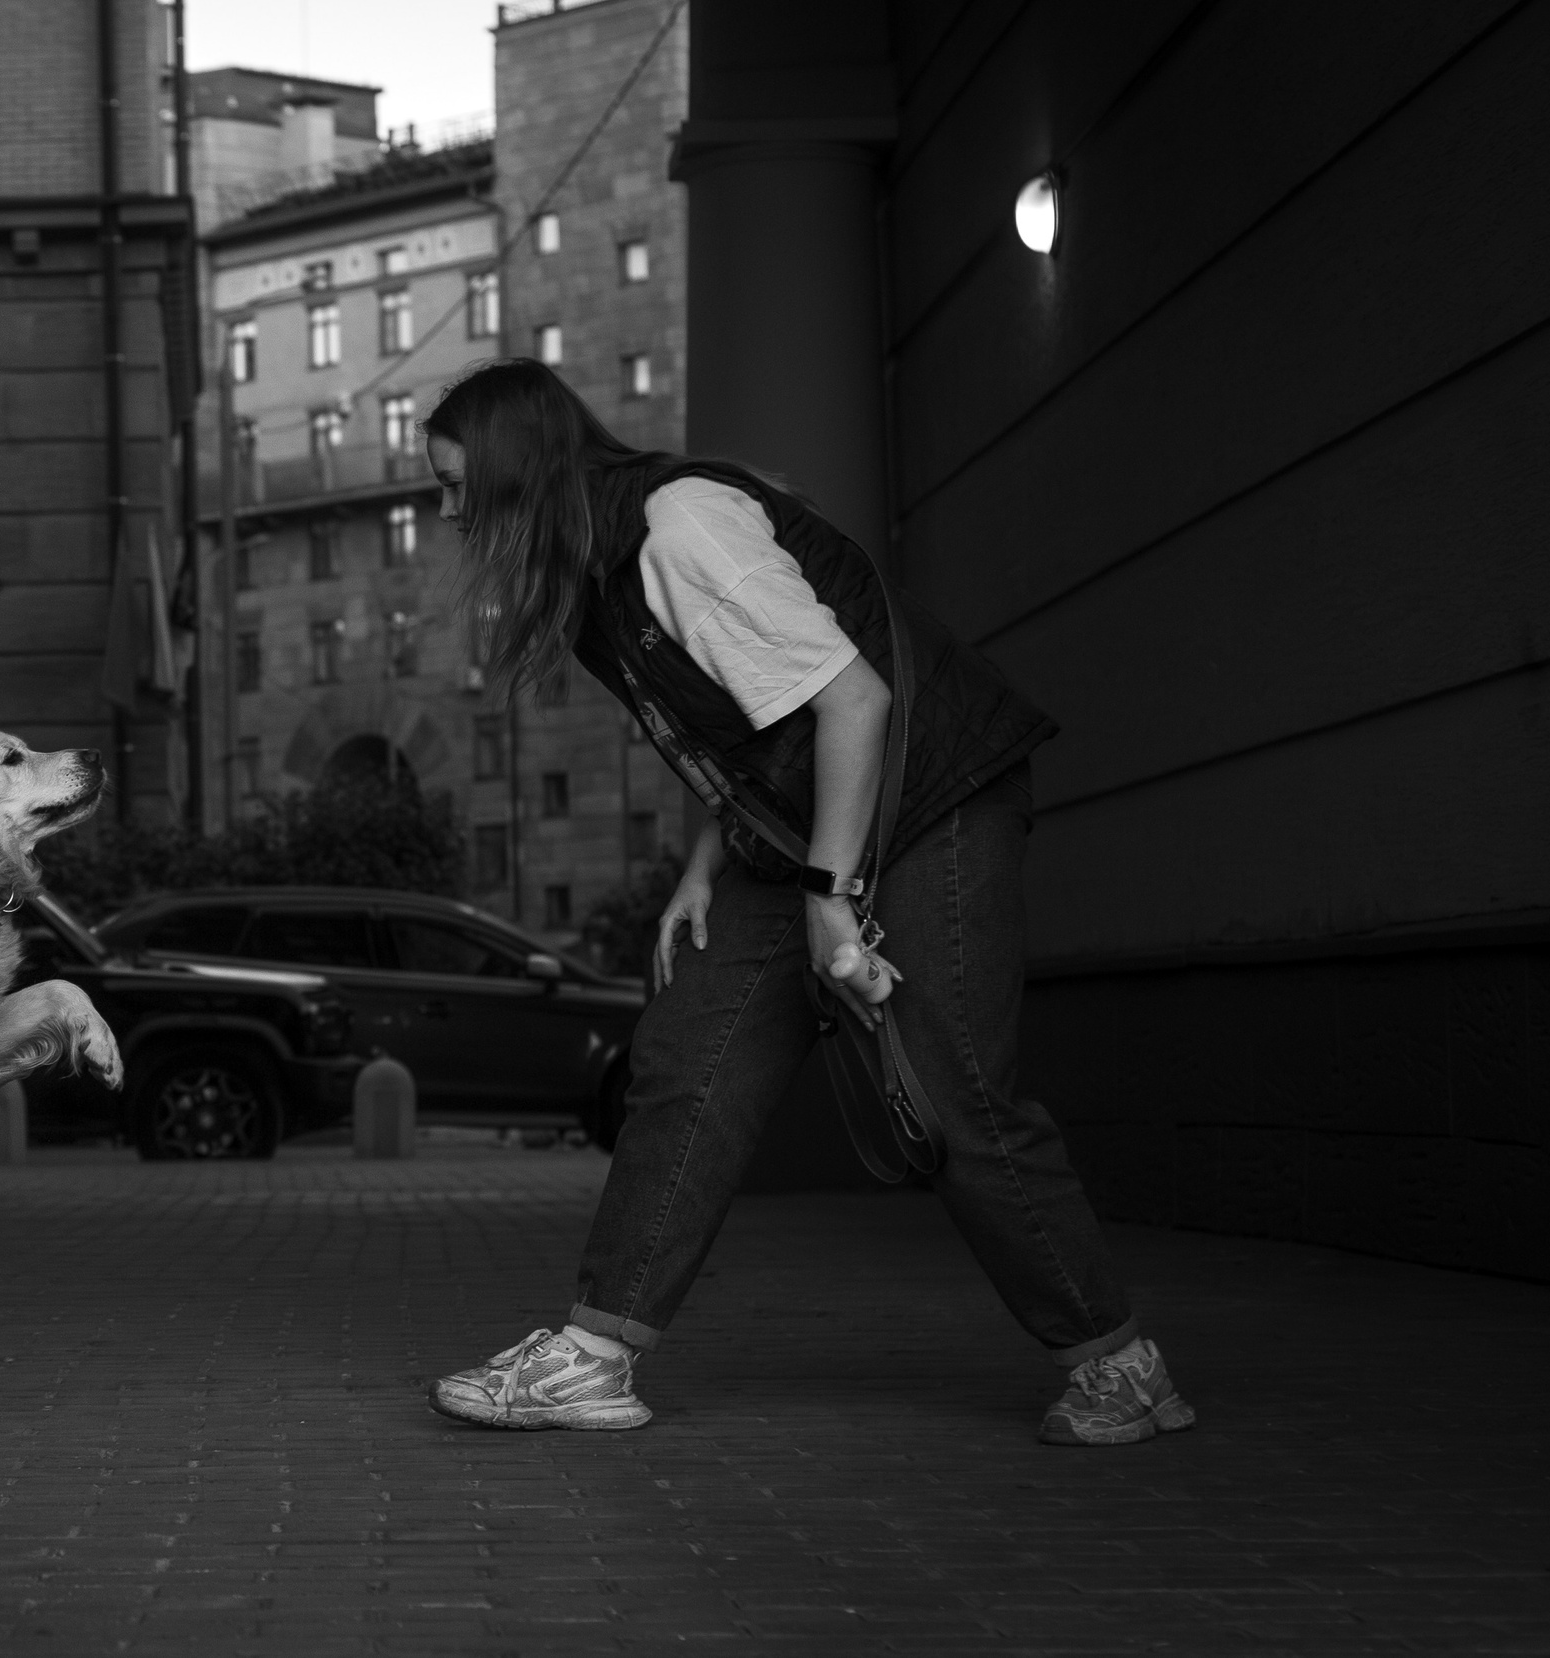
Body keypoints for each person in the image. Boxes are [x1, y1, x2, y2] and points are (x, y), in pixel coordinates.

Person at [420, 360, 1194, 1447]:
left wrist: (832, 897)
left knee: (951, 1087)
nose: (448, 514)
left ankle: (1119, 1365)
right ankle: (594, 1356)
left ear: (519, 474)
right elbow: (754, 721)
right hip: (805, 817)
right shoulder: (601, 569)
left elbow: (854, 699)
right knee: (688, 1056)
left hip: (932, 796)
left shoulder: (679, 527)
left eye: (457, 487)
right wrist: (704, 863)